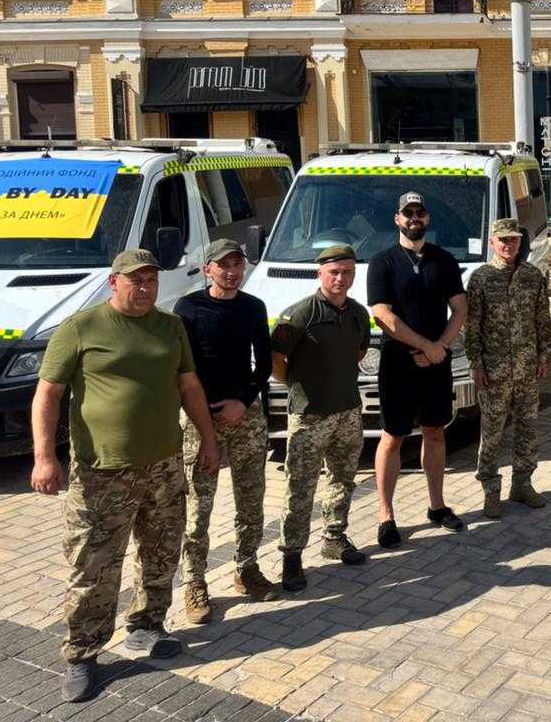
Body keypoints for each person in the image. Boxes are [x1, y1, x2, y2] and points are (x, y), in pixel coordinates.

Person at [30, 249, 220, 704]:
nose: (145, 287)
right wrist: (43, 457)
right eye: (136, 280)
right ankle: (82, 655)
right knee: (93, 568)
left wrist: (209, 441)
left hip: (164, 466)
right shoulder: (81, 327)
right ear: (114, 282)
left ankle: (147, 628)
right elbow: (47, 395)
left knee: (160, 555)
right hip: (102, 474)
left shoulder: (170, 326)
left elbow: (189, 386)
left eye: (151, 279)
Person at [174, 239, 277, 625]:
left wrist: (243, 401)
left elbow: (264, 363)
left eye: (238, 264)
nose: (232, 271)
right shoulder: (188, 309)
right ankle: (194, 584)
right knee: (198, 508)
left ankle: (246, 568)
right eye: (224, 265)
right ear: (208, 270)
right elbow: (182, 370)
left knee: (251, 500)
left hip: (244, 415)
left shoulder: (253, 307)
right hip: (200, 418)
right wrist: (202, 421)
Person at [368, 191, 469, 545]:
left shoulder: (443, 260)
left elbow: (459, 308)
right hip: (398, 364)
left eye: (420, 212)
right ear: (397, 218)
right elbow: (383, 315)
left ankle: (437, 506)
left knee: (435, 432)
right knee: (393, 437)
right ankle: (386, 515)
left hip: (436, 362)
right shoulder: (382, 262)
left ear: (427, 218)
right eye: (407, 212)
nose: (414, 218)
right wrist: (425, 345)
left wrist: (438, 347)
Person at [273, 245, 371, 591]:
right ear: (320, 274)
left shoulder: (358, 313)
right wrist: (299, 386)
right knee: (300, 487)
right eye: (334, 272)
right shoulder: (300, 314)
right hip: (309, 416)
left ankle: (334, 537)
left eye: (347, 272)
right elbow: (277, 359)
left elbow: (359, 351)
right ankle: (292, 555)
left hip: (347, 411)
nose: (341, 278)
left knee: (343, 480)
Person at [465, 217, 551, 518]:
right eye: (503, 240)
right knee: (492, 435)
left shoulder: (533, 276)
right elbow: (472, 327)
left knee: (528, 430)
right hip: (494, 372)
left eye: (513, 239)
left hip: (527, 370)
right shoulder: (481, 278)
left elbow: (543, 321)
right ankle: (491, 491)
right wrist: (476, 364)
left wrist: (544, 357)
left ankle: (522, 484)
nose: (508, 245)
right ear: (492, 242)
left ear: (519, 242)